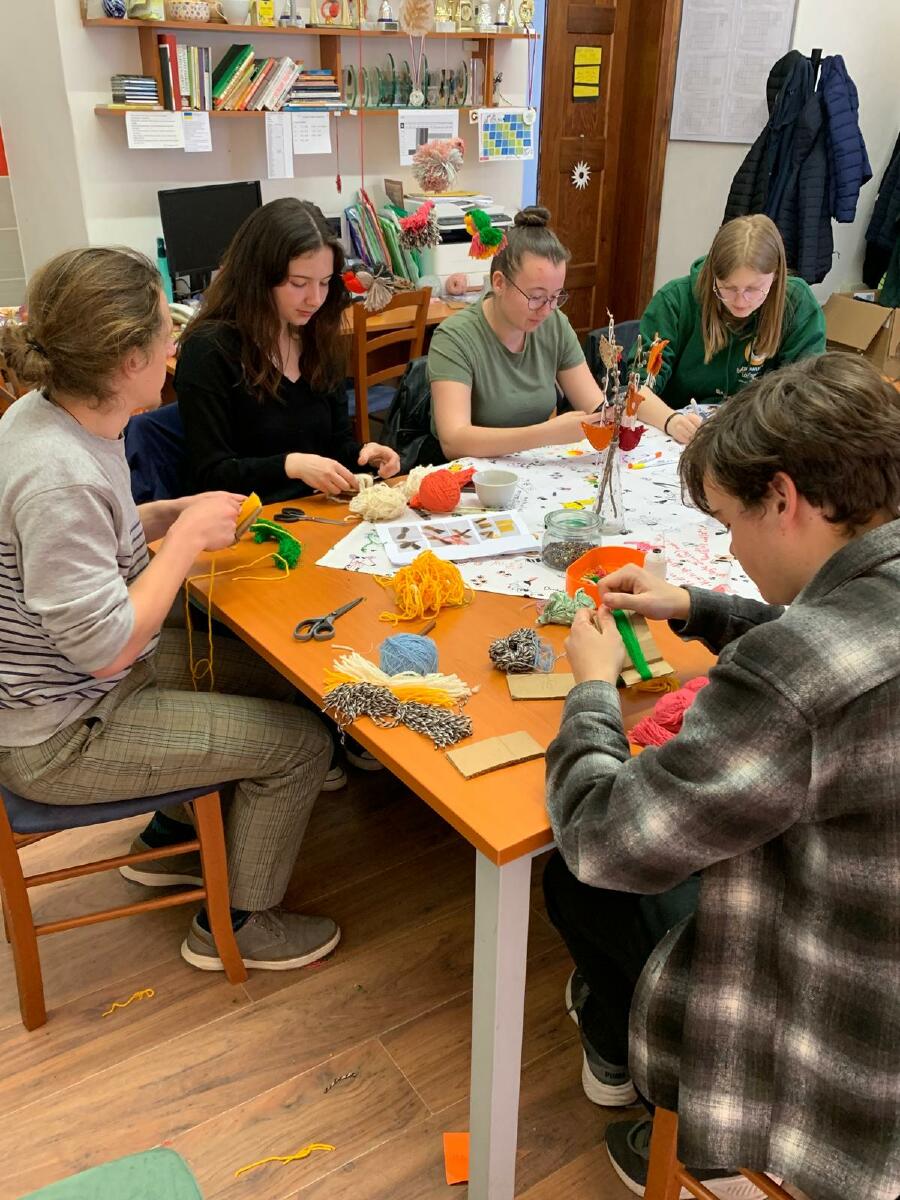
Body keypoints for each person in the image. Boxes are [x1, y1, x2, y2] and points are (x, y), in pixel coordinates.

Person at [542, 352, 899, 1200]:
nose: (731, 547)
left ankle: (700, 1136)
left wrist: (590, 689)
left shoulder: (793, 672)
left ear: (784, 498)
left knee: (576, 879)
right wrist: (698, 608)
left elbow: (601, 835)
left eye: (732, 521)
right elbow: (846, 633)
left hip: (848, 1048)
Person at [0, 247, 341, 973]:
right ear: (129, 360)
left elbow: (91, 546)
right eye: (166, 330)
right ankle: (237, 925)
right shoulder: (58, 476)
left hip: (74, 687)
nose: (175, 346)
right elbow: (108, 650)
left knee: (286, 677)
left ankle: (172, 839)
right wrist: (184, 541)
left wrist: (164, 515)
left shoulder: (52, 414)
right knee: (302, 746)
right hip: (61, 732)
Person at [176, 197, 400, 504]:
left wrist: (364, 456)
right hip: (246, 517)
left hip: (314, 510)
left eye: (324, 283)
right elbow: (211, 475)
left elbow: (334, 446)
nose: (315, 299)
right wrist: (289, 466)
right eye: (298, 283)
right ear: (258, 277)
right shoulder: (209, 350)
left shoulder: (318, 337)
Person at [428, 206, 608, 460]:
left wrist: (618, 412)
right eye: (536, 297)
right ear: (499, 283)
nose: (546, 310)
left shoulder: (554, 324)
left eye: (555, 297)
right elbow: (454, 441)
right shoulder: (454, 338)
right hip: (474, 473)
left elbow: (595, 406)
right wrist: (548, 434)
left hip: (532, 466)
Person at [633, 214, 826, 444]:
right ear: (713, 274)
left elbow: (807, 391)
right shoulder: (675, 301)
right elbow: (635, 390)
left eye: (754, 289)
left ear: (775, 276)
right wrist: (671, 421)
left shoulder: (796, 302)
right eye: (728, 288)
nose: (741, 301)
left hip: (758, 433)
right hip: (678, 434)